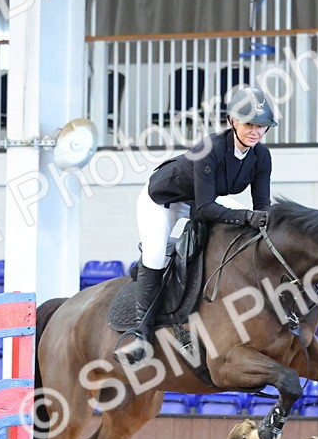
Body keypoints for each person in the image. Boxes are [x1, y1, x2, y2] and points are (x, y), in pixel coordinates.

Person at [117, 86, 277, 362]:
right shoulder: (210, 149)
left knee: (247, 225)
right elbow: (204, 209)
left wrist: (266, 225)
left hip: (199, 200)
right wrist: (246, 217)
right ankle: (140, 333)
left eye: (262, 127)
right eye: (250, 124)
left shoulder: (261, 157)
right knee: (155, 254)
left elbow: (261, 205)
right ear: (232, 122)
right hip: (162, 201)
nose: (256, 131)